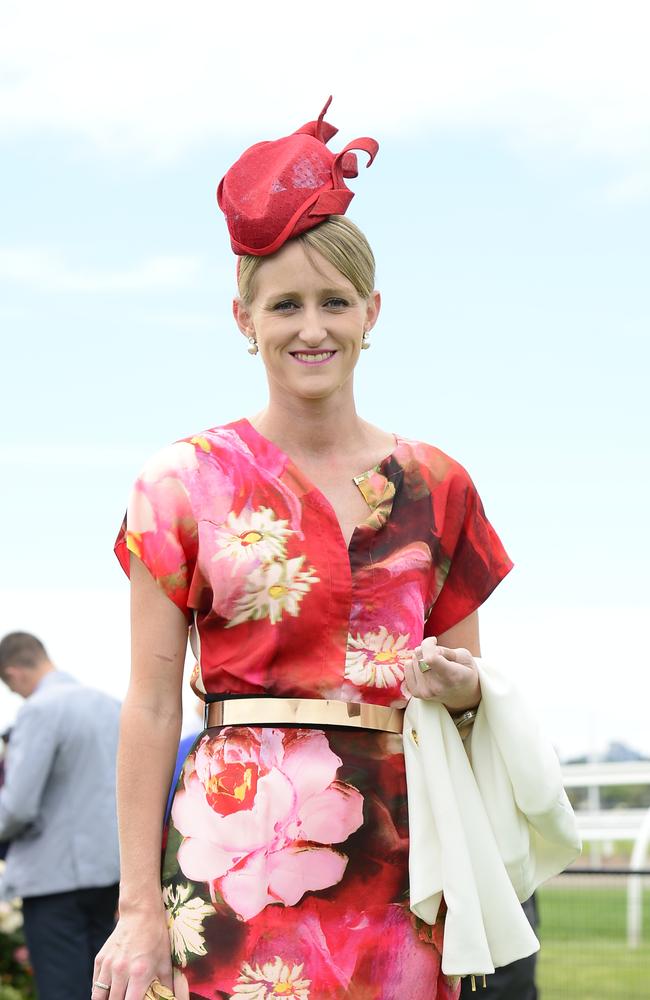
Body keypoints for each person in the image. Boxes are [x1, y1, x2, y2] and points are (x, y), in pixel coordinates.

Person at [93, 99, 516, 1000]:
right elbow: (151, 707)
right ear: (244, 319)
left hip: (407, 870)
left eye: (333, 302)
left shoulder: (437, 485)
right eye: (284, 304)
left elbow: (472, 700)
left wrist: (471, 688)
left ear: (372, 311)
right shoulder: (180, 483)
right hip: (233, 872)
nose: (311, 328)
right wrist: (136, 909)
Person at [0, 631, 121, 1000]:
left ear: (14, 673)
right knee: (102, 988)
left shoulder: (39, 710)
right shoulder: (111, 705)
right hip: (109, 875)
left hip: (54, 881)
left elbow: (17, 806)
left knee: (63, 991)